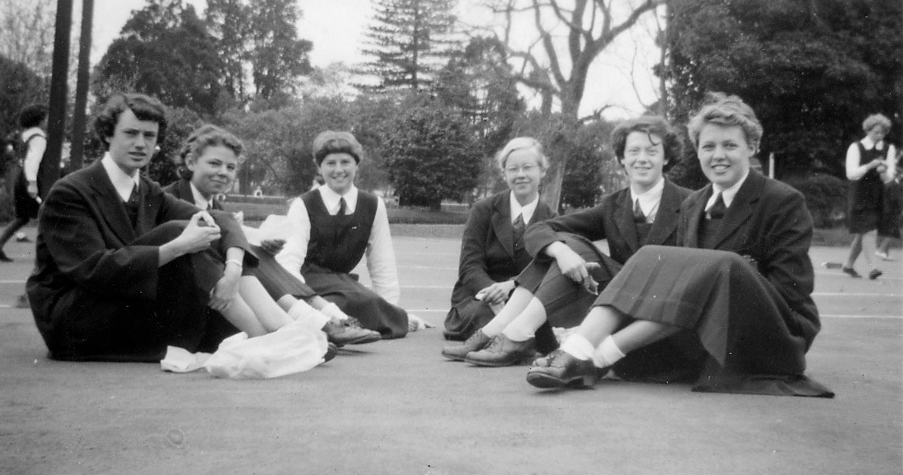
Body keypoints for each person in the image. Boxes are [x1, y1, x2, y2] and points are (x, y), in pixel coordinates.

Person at [527, 94, 832, 397]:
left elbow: (791, 293)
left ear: (752, 148)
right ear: (698, 151)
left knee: (722, 266)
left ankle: (597, 356)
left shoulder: (782, 201)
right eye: (708, 146)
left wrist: (738, 276)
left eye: (730, 145)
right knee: (654, 258)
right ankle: (579, 351)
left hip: (770, 333)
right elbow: (681, 292)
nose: (718, 155)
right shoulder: (693, 205)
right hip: (700, 331)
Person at [26, 93, 318, 362]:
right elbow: (95, 271)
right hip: (76, 322)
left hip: (128, 307)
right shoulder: (70, 193)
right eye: (130, 133)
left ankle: (283, 329)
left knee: (205, 231)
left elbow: (223, 220)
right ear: (107, 135)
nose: (141, 143)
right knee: (179, 231)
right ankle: (267, 338)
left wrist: (232, 270)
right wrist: (177, 247)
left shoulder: (147, 191)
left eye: (149, 136)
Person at [446, 117, 693, 370]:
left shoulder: (691, 204)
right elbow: (539, 230)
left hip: (662, 318)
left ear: (666, 158)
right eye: (634, 151)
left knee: (575, 245)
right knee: (561, 244)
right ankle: (507, 332)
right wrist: (561, 251)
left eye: (652, 151)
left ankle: (513, 334)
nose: (642, 158)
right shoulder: (613, 205)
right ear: (622, 159)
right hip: (619, 309)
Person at [165, 124, 380, 347]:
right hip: (190, 301)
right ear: (190, 163)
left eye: (230, 167)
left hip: (220, 296)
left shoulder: (215, 204)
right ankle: (312, 324)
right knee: (248, 253)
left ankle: (326, 318)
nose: (223, 172)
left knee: (260, 251)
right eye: (214, 163)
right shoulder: (170, 200)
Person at [277, 131, 415, 339]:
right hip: (307, 282)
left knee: (365, 302)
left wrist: (389, 309)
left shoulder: (372, 204)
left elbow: (381, 261)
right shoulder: (304, 204)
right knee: (356, 302)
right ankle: (330, 325)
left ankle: (341, 325)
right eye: (330, 163)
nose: (338, 170)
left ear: (356, 165)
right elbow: (289, 261)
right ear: (319, 167)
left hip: (343, 284)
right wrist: (300, 298)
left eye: (345, 162)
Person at [442, 137, 556, 344]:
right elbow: (470, 266)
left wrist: (511, 288)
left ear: (543, 171)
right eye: (513, 169)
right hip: (479, 300)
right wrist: (493, 292)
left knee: (534, 320)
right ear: (505, 174)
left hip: (525, 300)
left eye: (528, 168)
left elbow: (546, 273)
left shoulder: (553, 220)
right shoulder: (483, 210)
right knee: (483, 317)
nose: (520, 175)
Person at [843, 114, 895, 280]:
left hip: (877, 194)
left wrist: (883, 172)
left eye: (882, 133)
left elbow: (889, 177)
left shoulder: (888, 149)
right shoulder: (856, 147)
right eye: (876, 132)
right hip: (859, 194)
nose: (879, 136)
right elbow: (851, 174)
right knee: (869, 230)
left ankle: (848, 265)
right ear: (868, 130)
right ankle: (873, 268)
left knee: (864, 232)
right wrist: (869, 166)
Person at [0, 104, 47, 262]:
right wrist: (32, 183)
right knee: (46, 213)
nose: (47, 121)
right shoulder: (38, 138)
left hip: (21, 177)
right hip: (30, 178)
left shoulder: (25, 135)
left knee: (23, 217)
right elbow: (33, 160)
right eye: (45, 118)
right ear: (39, 120)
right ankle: (48, 253)